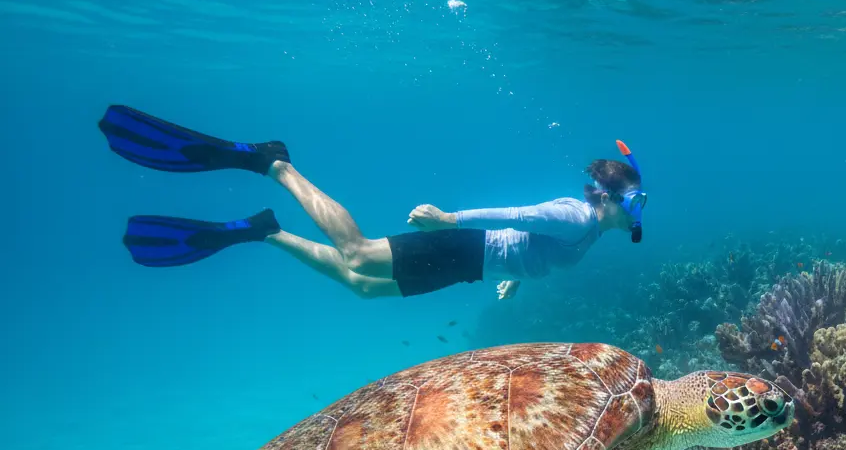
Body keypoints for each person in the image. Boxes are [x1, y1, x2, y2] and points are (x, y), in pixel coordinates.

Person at [98, 106, 647, 300]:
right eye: (638, 201)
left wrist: (517, 273)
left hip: (475, 265)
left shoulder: (588, 229)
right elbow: (520, 217)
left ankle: (263, 230)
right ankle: (274, 163)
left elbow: (532, 239)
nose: (640, 212)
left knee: (363, 288)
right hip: (467, 246)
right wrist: (450, 218)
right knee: (357, 255)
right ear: (615, 197)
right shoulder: (579, 218)